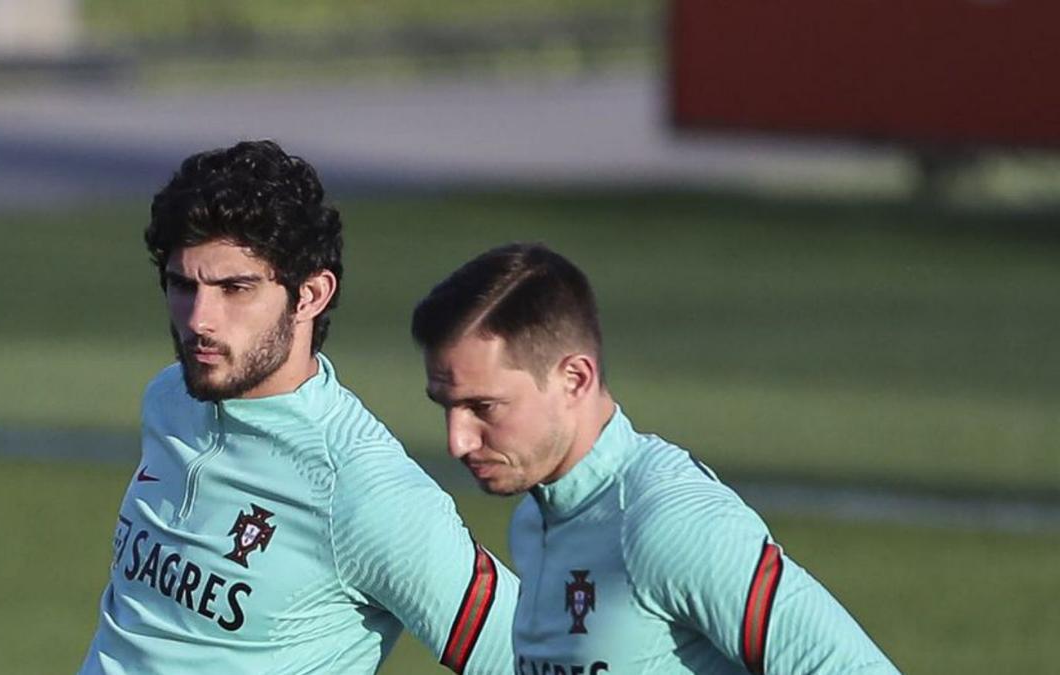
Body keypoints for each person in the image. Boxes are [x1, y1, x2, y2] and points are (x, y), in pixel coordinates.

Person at [80, 140, 517, 674]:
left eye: (235, 288)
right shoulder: (170, 400)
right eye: (182, 285)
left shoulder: (362, 489)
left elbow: (531, 656)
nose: (199, 320)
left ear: (310, 295)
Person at [411, 243, 898, 674]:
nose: (458, 441)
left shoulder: (669, 522)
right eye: (447, 408)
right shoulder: (535, 520)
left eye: (483, 407)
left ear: (575, 379)